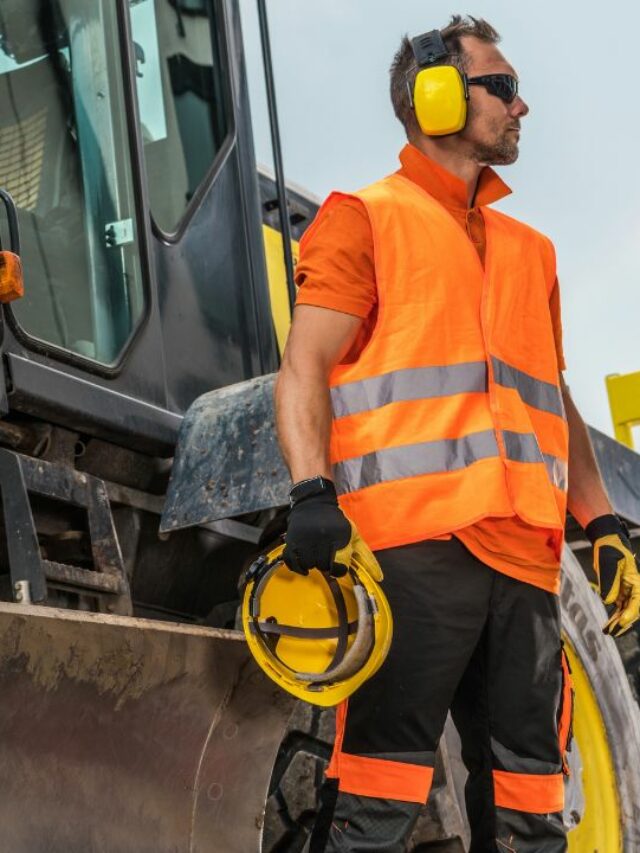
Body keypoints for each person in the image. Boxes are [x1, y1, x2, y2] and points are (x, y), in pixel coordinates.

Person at [274, 15, 640, 852]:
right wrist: (310, 491)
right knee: (377, 800)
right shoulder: (364, 218)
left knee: (532, 807)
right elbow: (305, 366)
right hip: (414, 556)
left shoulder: (532, 252)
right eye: (502, 87)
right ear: (435, 97)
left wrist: (604, 523)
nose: (523, 106)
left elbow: (555, 400)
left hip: (524, 565)